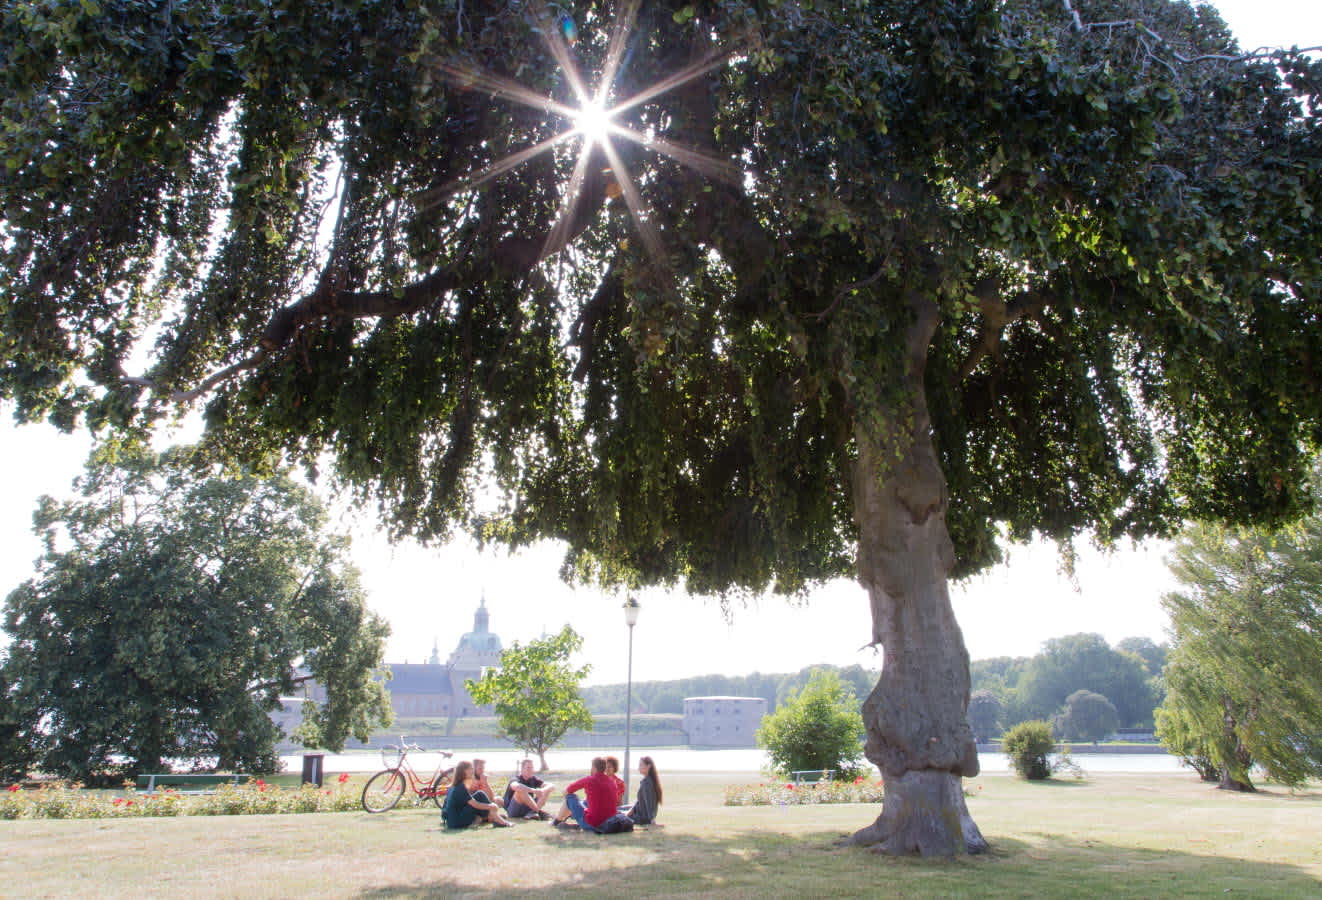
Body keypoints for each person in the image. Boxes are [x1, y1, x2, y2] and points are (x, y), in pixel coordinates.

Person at [551, 757, 616, 833]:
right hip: (610, 823)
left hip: (593, 824)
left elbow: (566, 791)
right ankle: (563, 819)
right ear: (604, 768)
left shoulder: (589, 780)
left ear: (594, 768)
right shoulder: (612, 782)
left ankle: (557, 821)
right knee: (585, 802)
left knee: (570, 797)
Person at [442, 760, 511, 829]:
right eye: (471, 769)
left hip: (452, 821)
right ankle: (498, 820)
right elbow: (475, 804)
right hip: (456, 822)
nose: (472, 771)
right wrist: (491, 806)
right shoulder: (460, 787)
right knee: (480, 795)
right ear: (464, 771)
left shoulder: (454, 785)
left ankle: (491, 817)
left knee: (479, 794)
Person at [625, 756, 662, 825]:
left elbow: (649, 802)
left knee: (617, 812)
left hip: (641, 818)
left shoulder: (647, 782)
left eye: (641, 765)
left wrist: (652, 820)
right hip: (639, 813)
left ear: (648, 766)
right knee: (620, 809)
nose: (638, 768)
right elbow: (640, 801)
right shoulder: (648, 780)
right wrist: (631, 811)